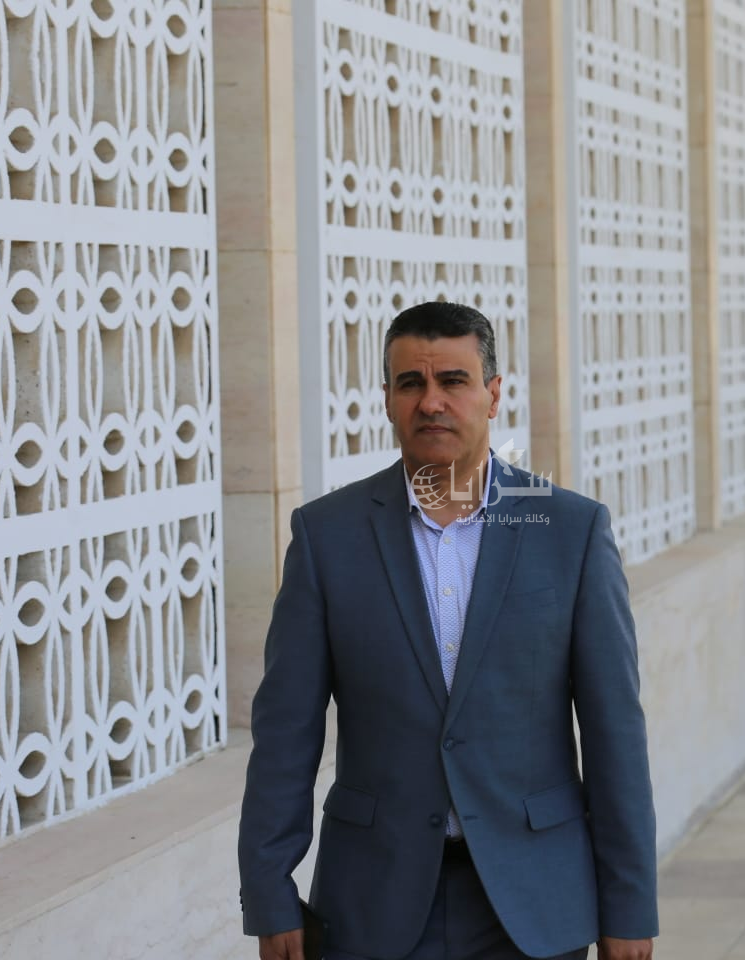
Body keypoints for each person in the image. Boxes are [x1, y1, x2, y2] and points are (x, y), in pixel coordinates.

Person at [237, 301, 658, 960]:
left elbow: (615, 732)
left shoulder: (570, 531)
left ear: (493, 394)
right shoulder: (327, 537)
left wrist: (629, 905)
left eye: (453, 381)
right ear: (387, 400)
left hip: (532, 902)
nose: (431, 401)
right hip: (373, 900)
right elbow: (286, 733)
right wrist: (268, 890)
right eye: (411, 383)